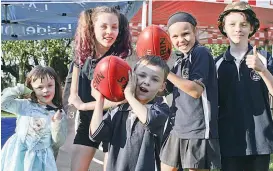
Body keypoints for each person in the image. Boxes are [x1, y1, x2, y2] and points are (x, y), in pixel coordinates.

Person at [66, 6, 132, 171]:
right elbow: (73, 97)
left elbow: (122, 100)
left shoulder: (120, 60)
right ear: (92, 28)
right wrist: (80, 106)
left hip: (114, 122)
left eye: (114, 27)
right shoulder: (80, 58)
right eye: (104, 26)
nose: (110, 31)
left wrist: (84, 106)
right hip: (87, 120)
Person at [160, 12, 221, 171]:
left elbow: (195, 91)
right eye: (175, 37)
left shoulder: (201, 53)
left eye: (185, 33)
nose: (181, 40)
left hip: (197, 130)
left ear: (196, 31)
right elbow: (165, 90)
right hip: (177, 128)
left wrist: (165, 71)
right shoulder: (180, 60)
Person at [215, 2, 273, 171]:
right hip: (228, 141)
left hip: (260, 140)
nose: (238, 29)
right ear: (223, 27)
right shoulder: (216, 63)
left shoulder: (264, 58)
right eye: (232, 24)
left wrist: (262, 70)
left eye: (243, 24)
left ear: (252, 28)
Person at [89, 55, 170, 171]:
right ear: (131, 76)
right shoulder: (118, 110)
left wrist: (129, 96)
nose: (146, 82)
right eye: (142, 75)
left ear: (162, 86)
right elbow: (96, 134)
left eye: (155, 79)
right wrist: (100, 100)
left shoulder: (161, 109)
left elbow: (149, 120)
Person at [1, 65, 67, 171]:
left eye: (50, 85)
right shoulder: (24, 105)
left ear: (56, 85)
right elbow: (3, 104)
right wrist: (21, 89)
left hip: (41, 160)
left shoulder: (58, 112)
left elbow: (58, 142)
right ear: (31, 88)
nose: (45, 90)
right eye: (40, 87)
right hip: (18, 154)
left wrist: (57, 124)